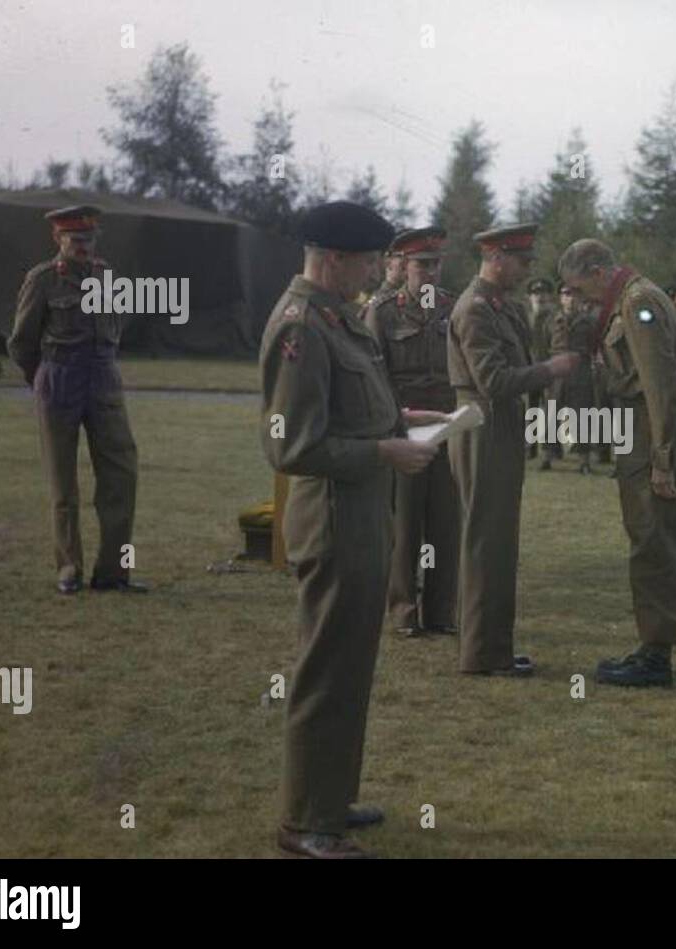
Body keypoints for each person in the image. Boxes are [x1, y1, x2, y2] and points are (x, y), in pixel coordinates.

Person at [260, 201, 442, 859]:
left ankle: (328, 801)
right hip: (334, 522)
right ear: (333, 257)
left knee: (351, 668)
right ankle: (304, 822)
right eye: (368, 261)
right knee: (326, 671)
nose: (376, 273)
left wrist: (401, 416)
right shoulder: (301, 327)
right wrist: (384, 452)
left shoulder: (336, 318)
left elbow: (355, 406)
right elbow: (290, 446)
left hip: (362, 518)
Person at [558, 238, 676, 688]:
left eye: (581, 287)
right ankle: (652, 646)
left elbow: (660, 383)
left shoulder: (638, 304)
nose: (581, 298)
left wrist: (661, 458)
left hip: (653, 431)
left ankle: (656, 656)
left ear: (600, 272)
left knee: (655, 538)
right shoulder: (637, 296)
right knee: (656, 535)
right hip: (647, 429)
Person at [446, 224, 579, 676]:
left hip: (499, 427)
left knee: (498, 543)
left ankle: (491, 648)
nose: (526, 270)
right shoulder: (476, 310)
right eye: (522, 261)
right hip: (483, 426)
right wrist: (549, 368)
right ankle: (483, 654)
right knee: (487, 543)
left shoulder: (503, 306)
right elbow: (495, 381)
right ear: (496, 257)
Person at [6, 205, 146, 595]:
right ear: (58, 239)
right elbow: (21, 343)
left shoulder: (107, 276)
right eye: (76, 240)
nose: (84, 247)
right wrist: (42, 379)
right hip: (60, 379)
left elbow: (114, 330)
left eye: (90, 239)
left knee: (122, 475)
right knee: (63, 483)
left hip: (103, 379)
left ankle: (114, 572)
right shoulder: (44, 280)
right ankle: (69, 568)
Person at [364, 226, 460, 637]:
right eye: (422, 264)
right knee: (405, 526)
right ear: (404, 267)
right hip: (403, 427)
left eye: (436, 263)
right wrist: (391, 424)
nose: (430, 272)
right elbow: (371, 373)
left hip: (445, 428)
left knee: (445, 522)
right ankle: (404, 611)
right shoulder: (383, 312)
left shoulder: (453, 309)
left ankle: (440, 612)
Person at [550, 283, 601, 473]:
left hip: (580, 369)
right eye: (565, 294)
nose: (569, 298)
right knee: (551, 413)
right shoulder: (552, 319)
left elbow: (595, 344)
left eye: (573, 294)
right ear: (560, 298)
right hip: (556, 369)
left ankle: (584, 460)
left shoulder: (588, 321)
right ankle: (548, 455)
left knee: (582, 415)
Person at [525, 277, 562, 468]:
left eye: (544, 294)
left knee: (551, 412)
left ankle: (550, 450)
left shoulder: (555, 319)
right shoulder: (525, 319)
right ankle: (529, 448)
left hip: (549, 370)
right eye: (536, 293)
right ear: (530, 297)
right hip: (528, 370)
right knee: (531, 411)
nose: (540, 297)